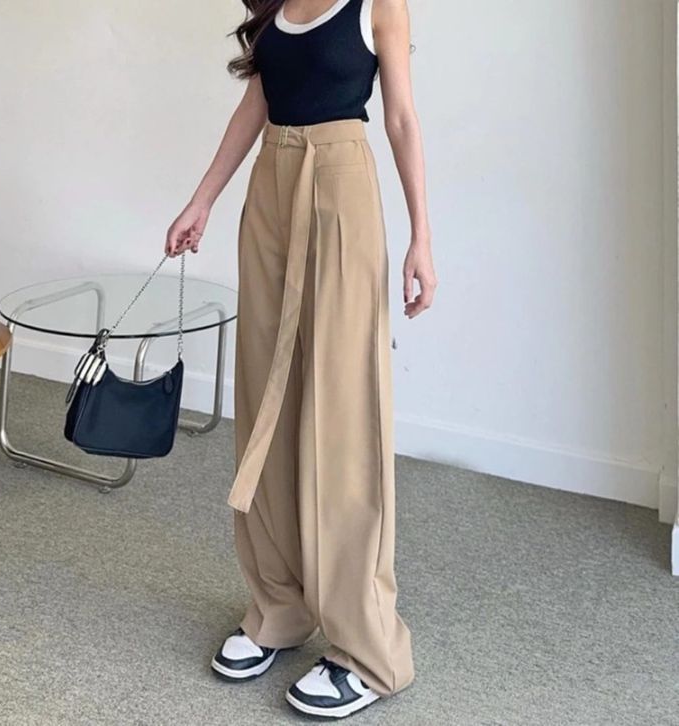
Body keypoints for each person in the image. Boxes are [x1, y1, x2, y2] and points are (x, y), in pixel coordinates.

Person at [165, 0, 435, 719]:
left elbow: (401, 119)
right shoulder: (275, 9)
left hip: (342, 185)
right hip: (271, 189)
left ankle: (367, 649)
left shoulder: (380, 5)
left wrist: (422, 238)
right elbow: (254, 108)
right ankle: (280, 606)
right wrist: (202, 201)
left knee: (343, 411)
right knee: (266, 398)